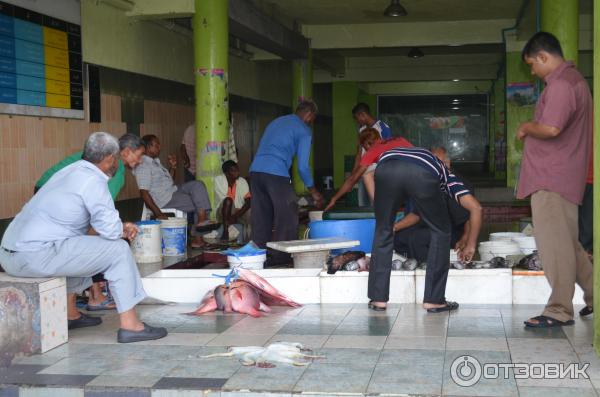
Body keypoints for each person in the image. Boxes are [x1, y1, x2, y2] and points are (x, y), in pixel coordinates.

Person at [0, 132, 167, 343]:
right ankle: (131, 326)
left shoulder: (68, 172)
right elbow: (109, 231)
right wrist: (122, 229)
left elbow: (87, 225)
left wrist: (118, 226)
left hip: (10, 255)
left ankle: (71, 314)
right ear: (109, 159)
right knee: (118, 250)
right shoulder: (94, 181)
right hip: (33, 255)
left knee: (83, 245)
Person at [516, 32, 594, 327]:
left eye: (532, 65)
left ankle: (559, 310)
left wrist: (526, 126)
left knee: (555, 247)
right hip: (563, 176)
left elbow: (550, 128)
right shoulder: (576, 81)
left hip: (552, 178)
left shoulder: (561, 84)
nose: (533, 71)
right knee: (569, 245)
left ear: (543, 57)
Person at [33, 133, 146, 311]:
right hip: (50, 191)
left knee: (86, 239)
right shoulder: (115, 169)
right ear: (126, 152)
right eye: (138, 156)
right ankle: (92, 297)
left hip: (48, 190)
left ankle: (85, 299)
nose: (139, 161)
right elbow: (100, 215)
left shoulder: (103, 157)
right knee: (88, 240)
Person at [365, 146, 482, 312]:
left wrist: (382, 209)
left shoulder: (412, 155)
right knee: (441, 231)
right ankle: (434, 300)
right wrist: (471, 244)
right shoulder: (445, 173)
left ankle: (378, 300)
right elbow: (476, 208)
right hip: (421, 172)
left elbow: (367, 174)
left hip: (385, 167)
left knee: (384, 229)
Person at [249, 100, 324, 266]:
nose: (311, 122)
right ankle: (282, 258)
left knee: (262, 217)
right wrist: (313, 191)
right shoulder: (304, 130)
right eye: (312, 119)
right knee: (288, 215)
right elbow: (303, 167)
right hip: (276, 174)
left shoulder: (277, 121)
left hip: (255, 172)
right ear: (310, 115)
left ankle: (257, 258)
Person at [134, 134, 212, 248]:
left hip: (173, 191)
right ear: (147, 147)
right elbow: (144, 193)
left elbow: (169, 181)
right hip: (164, 199)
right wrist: (158, 213)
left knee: (198, 185)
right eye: (156, 145)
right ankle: (198, 236)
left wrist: (173, 167)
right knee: (200, 202)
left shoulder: (155, 162)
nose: (159, 147)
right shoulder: (143, 165)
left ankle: (200, 225)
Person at [324, 128, 412, 211]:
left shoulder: (372, 151)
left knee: (367, 174)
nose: (365, 150)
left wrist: (334, 199)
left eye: (364, 147)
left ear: (367, 144)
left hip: (401, 178)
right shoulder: (399, 139)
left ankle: (379, 208)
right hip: (418, 173)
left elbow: (352, 179)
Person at [351, 103, 393, 204]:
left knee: (375, 204)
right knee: (362, 204)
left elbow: (389, 152)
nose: (357, 121)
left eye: (357, 118)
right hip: (362, 172)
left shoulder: (383, 128)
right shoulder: (361, 130)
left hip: (376, 174)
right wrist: (353, 175)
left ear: (363, 115)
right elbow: (359, 154)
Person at [214, 160, 251, 242]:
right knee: (228, 201)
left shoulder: (242, 181)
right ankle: (225, 231)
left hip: (238, 212)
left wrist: (236, 215)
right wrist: (235, 213)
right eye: (233, 171)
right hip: (222, 212)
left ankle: (250, 240)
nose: (237, 172)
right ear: (226, 173)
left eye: (237, 169)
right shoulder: (218, 180)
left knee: (251, 212)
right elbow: (224, 200)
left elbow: (248, 201)